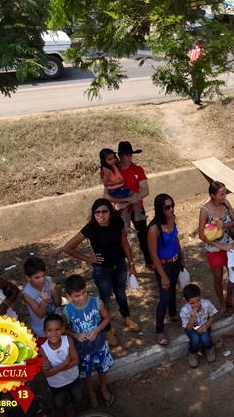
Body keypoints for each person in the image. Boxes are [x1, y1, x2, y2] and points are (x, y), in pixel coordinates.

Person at [62, 198, 139, 348]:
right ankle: (107, 329)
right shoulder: (90, 228)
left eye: (104, 211)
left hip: (120, 266)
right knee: (105, 299)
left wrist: (131, 264)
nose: (100, 215)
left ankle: (126, 317)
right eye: (97, 212)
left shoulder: (117, 223)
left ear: (110, 212)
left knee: (121, 293)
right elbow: (67, 247)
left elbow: (124, 243)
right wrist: (87, 258)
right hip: (102, 270)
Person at [63, 274, 114, 410]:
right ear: (69, 296)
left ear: (86, 288)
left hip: (100, 345)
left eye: (84, 292)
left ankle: (103, 388)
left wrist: (97, 330)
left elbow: (106, 319)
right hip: (82, 351)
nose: (82, 297)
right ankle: (91, 394)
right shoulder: (67, 311)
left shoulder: (97, 302)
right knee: (86, 374)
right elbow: (64, 330)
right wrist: (76, 335)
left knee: (102, 369)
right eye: (77, 296)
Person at [103, 141, 152, 269]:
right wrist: (126, 202)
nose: (129, 158)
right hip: (120, 211)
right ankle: (125, 266)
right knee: (121, 239)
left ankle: (149, 261)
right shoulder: (113, 171)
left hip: (135, 207)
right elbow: (106, 195)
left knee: (143, 236)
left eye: (131, 154)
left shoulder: (138, 169)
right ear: (120, 156)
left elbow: (145, 191)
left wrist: (126, 203)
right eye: (126, 155)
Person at [148, 193, 186, 346]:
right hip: (163, 265)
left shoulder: (172, 219)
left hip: (175, 261)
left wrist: (181, 256)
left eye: (172, 206)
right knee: (165, 295)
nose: (171, 209)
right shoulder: (154, 229)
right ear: (160, 209)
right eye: (167, 207)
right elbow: (153, 254)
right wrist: (162, 275)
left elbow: (175, 239)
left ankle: (173, 313)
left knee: (173, 289)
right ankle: (159, 329)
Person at [198, 181, 234, 315]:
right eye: (221, 194)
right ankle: (222, 303)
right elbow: (201, 235)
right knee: (218, 278)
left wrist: (225, 225)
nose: (224, 196)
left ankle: (229, 300)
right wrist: (221, 246)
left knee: (233, 274)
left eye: (225, 193)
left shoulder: (226, 204)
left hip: (229, 246)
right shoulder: (205, 210)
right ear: (212, 195)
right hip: (214, 250)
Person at [40, 314, 83, 417]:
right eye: (49, 330)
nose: (54, 333)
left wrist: (53, 370)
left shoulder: (68, 340)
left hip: (73, 379)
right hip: (57, 385)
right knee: (60, 407)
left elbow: (76, 361)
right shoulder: (43, 350)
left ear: (63, 329)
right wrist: (66, 363)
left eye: (57, 329)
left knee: (78, 401)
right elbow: (46, 374)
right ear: (44, 332)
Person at [99, 148, 144, 234]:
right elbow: (105, 184)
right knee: (126, 209)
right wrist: (117, 182)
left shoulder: (115, 166)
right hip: (117, 190)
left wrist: (126, 203)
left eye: (113, 158)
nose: (113, 160)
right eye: (109, 159)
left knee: (136, 195)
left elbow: (145, 192)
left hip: (122, 190)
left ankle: (137, 215)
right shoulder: (108, 170)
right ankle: (127, 226)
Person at [22, 257, 62, 346]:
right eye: (37, 277)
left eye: (44, 275)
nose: (42, 279)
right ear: (28, 278)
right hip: (43, 331)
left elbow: (58, 304)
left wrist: (55, 291)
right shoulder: (27, 294)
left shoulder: (49, 280)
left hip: (58, 324)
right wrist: (44, 300)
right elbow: (40, 315)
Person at [180, 283, 218, 368]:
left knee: (205, 338)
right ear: (187, 301)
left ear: (200, 296)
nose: (196, 304)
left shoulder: (207, 304)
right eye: (192, 303)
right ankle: (192, 353)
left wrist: (207, 326)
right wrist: (192, 317)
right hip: (192, 328)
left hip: (205, 325)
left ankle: (209, 348)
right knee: (195, 339)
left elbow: (212, 316)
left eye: (198, 301)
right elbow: (188, 329)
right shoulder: (184, 311)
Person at [189, 41, 205, 105]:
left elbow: (191, 59)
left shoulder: (193, 50)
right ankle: (197, 99)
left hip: (192, 67)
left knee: (195, 83)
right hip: (197, 68)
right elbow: (197, 59)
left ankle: (195, 98)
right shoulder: (199, 50)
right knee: (200, 83)